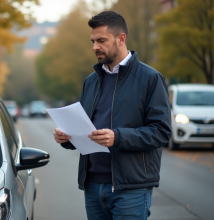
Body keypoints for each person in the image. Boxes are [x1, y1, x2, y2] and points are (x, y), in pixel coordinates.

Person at [53, 11, 171, 220]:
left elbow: (161, 132)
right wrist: (66, 138)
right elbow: (84, 130)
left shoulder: (150, 78)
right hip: (92, 186)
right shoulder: (91, 81)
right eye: (93, 41)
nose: (95, 47)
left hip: (131, 188)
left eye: (101, 40)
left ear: (121, 39)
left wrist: (117, 137)